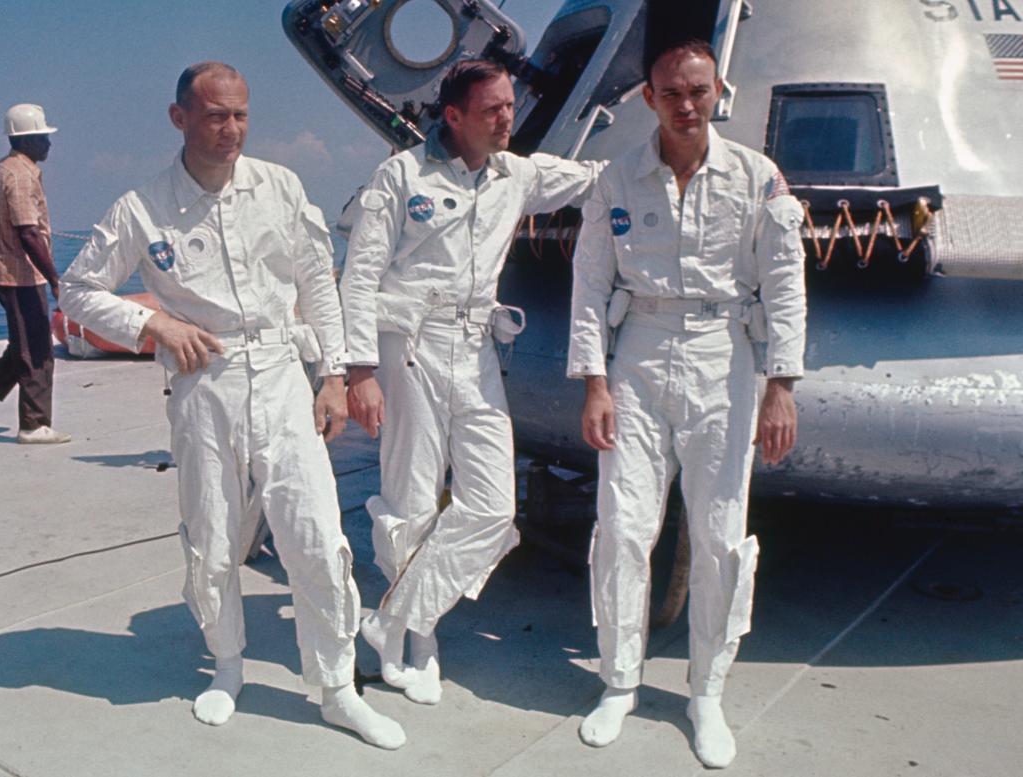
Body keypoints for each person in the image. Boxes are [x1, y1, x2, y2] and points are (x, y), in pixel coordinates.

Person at [58, 62, 405, 749]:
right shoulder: (142, 208)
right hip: (203, 384)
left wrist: (333, 375)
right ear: (179, 117)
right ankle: (228, 664)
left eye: (241, 114)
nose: (231, 129)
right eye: (216, 115)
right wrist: (152, 324)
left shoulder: (279, 186)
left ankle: (337, 686)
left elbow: (318, 283)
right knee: (212, 535)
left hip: (281, 374)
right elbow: (77, 289)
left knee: (312, 531)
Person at [567, 40, 807, 767]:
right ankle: (619, 681)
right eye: (671, 92)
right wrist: (595, 381)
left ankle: (706, 692)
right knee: (623, 525)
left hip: (722, 351)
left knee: (718, 533)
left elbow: (787, 284)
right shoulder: (617, 178)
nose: (685, 104)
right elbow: (587, 284)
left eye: (698, 91)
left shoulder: (755, 176)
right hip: (639, 348)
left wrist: (781, 386)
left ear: (719, 91)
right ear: (649, 97)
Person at [342, 58, 603, 705]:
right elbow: (360, 274)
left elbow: (600, 178)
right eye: (492, 110)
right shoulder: (400, 177)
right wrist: (358, 372)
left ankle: (393, 620)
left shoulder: (518, 174)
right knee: (409, 499)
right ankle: (414, 643)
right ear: (453, 116)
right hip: (411, 347)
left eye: (510, 106)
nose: (507, 119)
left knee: (491, 506)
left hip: (477, 347)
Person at [0, 104, 70, 444]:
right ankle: (34, 425)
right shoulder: (20, 176)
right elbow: (28, 232)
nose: (49, 145)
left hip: (2, 269)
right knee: (36, 349)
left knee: (25, 340)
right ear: (28, 139)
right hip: (20, 274)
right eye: (43, 138)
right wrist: (54, 277)